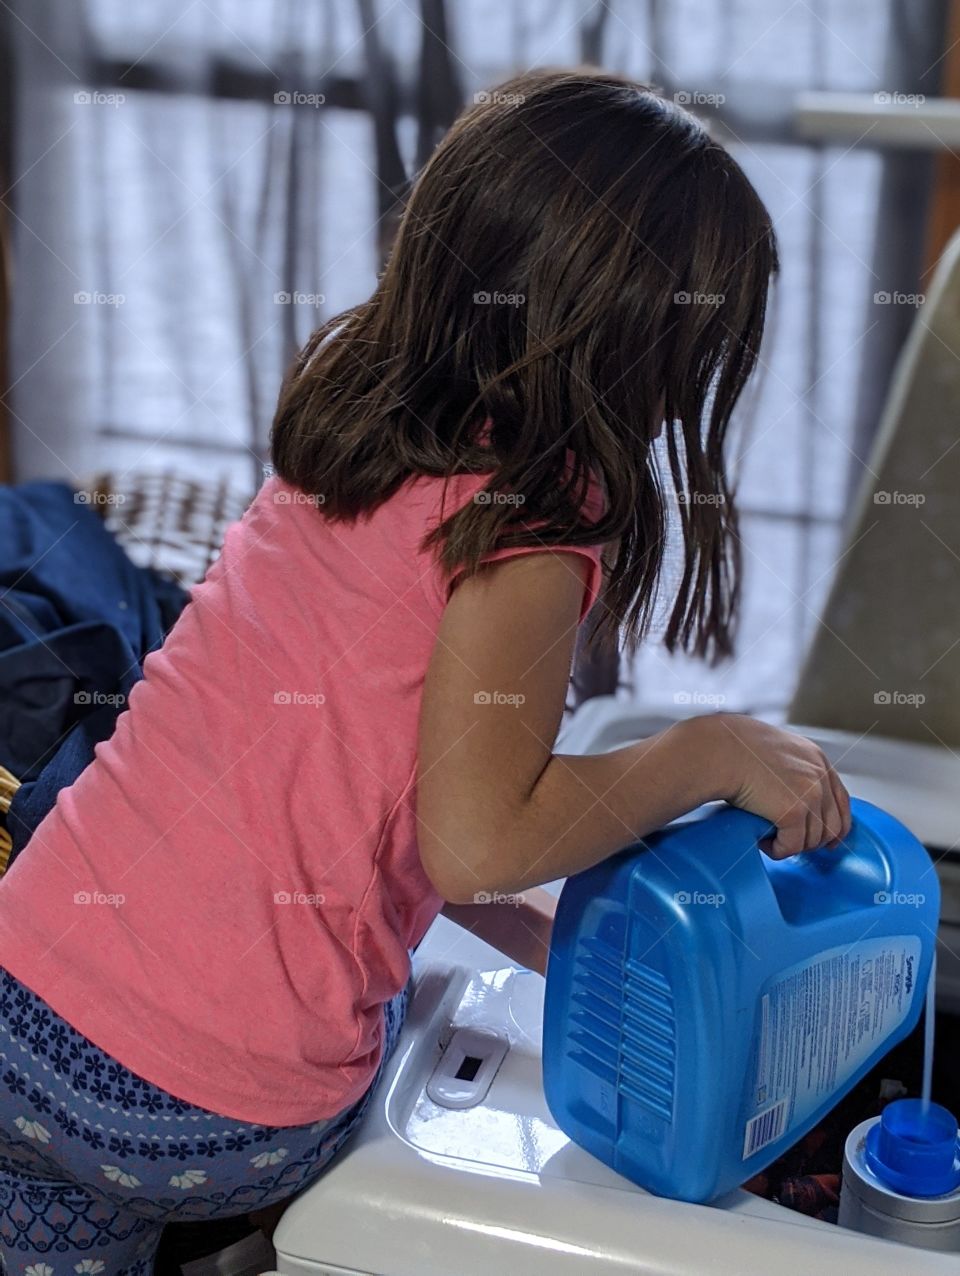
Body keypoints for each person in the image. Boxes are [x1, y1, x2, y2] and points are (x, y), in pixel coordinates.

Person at [0, 67, 850, 1273]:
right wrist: (703, 751)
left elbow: (363, 796)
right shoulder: (531, 523)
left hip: (26, 1007)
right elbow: (474, 840)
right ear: (635, 344)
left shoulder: (360, 420)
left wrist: (564, 935)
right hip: (215, 1104)